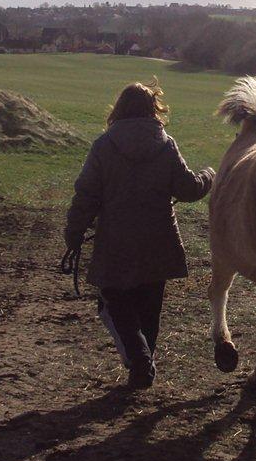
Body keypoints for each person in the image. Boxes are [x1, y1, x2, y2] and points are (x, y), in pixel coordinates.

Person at [64, 79, 214, 389]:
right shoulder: (166, 145)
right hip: (159, 242)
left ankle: (140, 362)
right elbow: (187, 189)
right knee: (149, 307)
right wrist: (209, 176)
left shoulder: (104, 145)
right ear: (153, 109)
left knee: (116, 302)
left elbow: (86, 195)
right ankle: (143, 364)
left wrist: (74, 232)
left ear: (119, 108)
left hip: (115, 242)